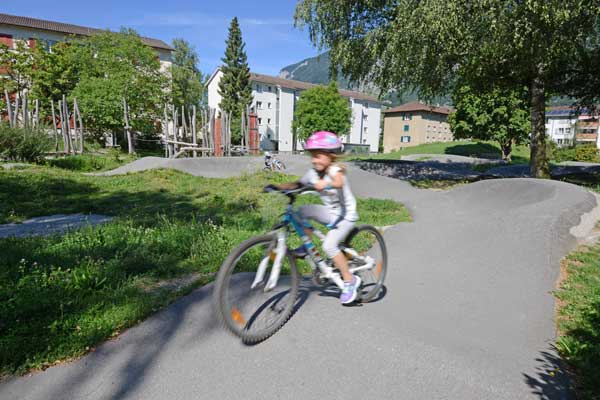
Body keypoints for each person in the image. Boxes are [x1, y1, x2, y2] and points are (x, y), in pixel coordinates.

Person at [266, 131, 361, 304]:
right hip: (331, 212)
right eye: (312, 156)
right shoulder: (313, 173)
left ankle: (350, 281)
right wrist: (278, 187)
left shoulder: (335, 169)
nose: (314, 160)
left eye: (318, 156)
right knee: (302, 211)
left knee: (329, 246)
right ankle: (305, 246)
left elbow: (339, 182)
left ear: (330, 156)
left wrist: (326, 182)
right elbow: (299, 184)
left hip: (346, 216)